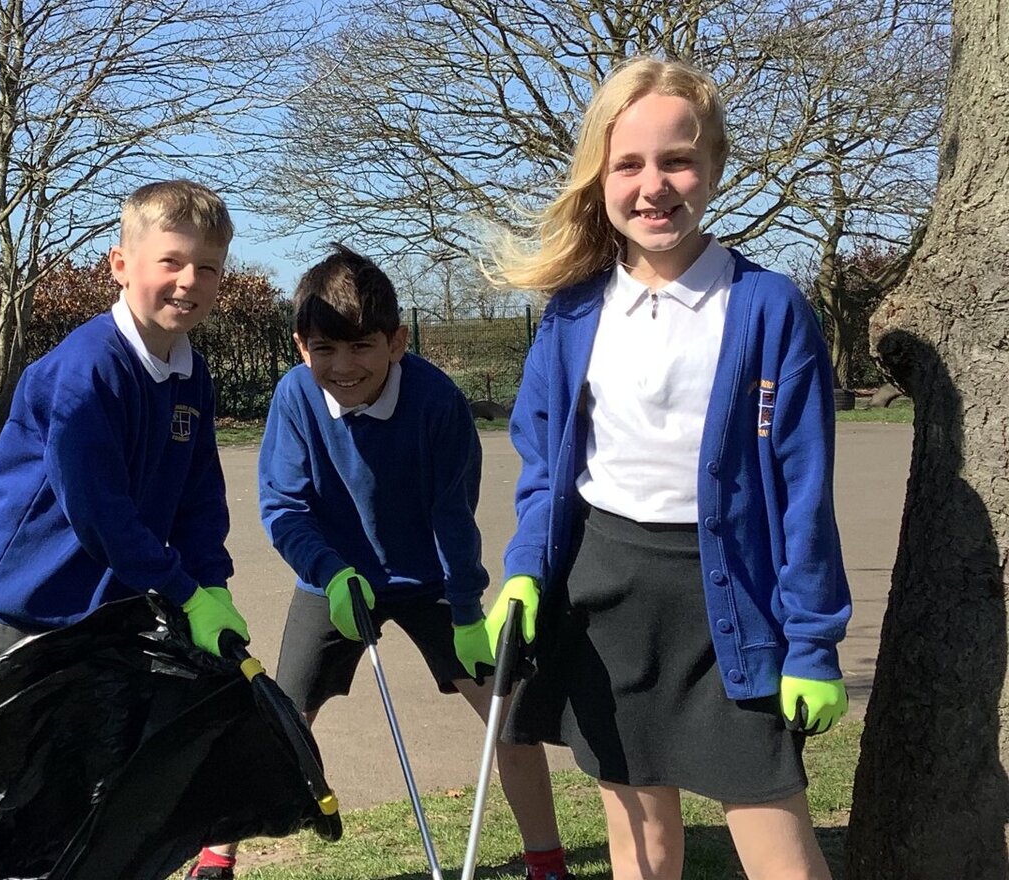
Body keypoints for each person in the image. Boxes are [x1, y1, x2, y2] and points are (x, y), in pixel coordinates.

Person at [484, 57, 852, 879]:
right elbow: (546, 470)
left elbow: (803, 490)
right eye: (629, 164)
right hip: (606, 594)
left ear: (714, 166)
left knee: (779, 848)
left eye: (677, 160)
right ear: (601, 177)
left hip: (732, 601)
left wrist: (814, 642)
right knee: (640, 847)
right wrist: (523, 573)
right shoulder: (572, 309)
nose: (655, 185)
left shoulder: (768, 308)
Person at [184, 245, 572, 880]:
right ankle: (217, 855)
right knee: (279, 719)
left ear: (396, 343)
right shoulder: (294, 398)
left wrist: (470, 610)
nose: (341, 366)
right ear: (299, 345)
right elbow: (285, 509)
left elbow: (454, 515)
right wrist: (331, 573)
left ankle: (546, 860)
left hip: (432, 581)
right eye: (323, 349)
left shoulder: (437, 401)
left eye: (361, 347)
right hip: (332, 578)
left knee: (509, 714)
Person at [0, 179, 249, 674]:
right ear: (120, 265)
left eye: (207, 268)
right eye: (171, 262)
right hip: (31, 611)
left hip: (114, 611)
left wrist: (211, 582)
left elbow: (198, 494)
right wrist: (185, 592)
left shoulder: (192, 373)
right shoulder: (86, 371)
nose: (189, 280)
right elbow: (98, 511)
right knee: (23, 754)